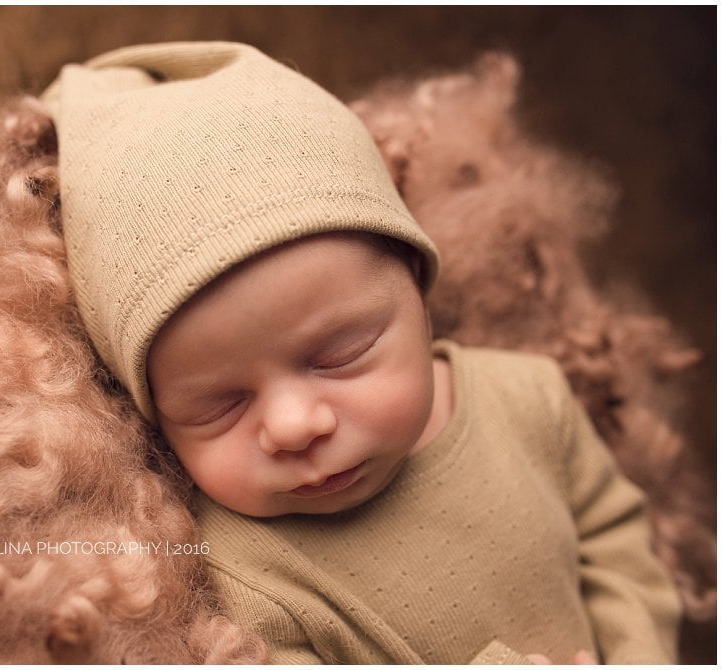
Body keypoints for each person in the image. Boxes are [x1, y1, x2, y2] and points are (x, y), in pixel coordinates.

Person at [40, 41, 682, 663]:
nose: (294, 427)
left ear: (418, 289)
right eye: (219, 406)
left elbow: (618, 546)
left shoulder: (531, 401)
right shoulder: (234, 573)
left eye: (340, 353)